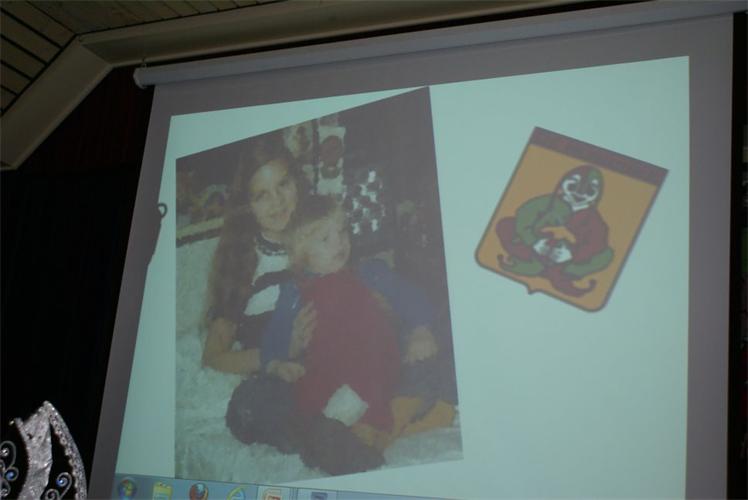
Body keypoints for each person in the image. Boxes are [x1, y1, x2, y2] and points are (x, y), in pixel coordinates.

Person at [260, 195, 439, 449]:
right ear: (301, 252)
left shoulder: (368, 271)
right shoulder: (294, 292)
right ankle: (328, 430)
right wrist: (277, 363)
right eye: (325, 238)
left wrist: (421, 330)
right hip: (326, 377)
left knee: (424, 369)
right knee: (278, 399)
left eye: (342, 231)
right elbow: (274, 336)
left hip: (379, 369)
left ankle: (382, 422)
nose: (339, 243)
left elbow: (409, 295)